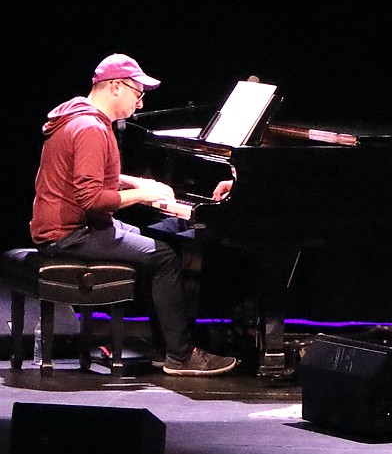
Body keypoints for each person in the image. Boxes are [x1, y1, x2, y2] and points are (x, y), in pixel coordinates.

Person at [29, 54, 238, 376]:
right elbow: (92, 200)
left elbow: (87, 177)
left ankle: (164, 346)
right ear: (115, 86)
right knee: (165, 256)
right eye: (137, 94)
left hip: (67, 228)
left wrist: (134, 181)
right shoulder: (90, 128)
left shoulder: (79, 118)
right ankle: (180, 357)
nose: (139, 104)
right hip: (69, 235)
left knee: (153, 240)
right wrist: (144, 194)